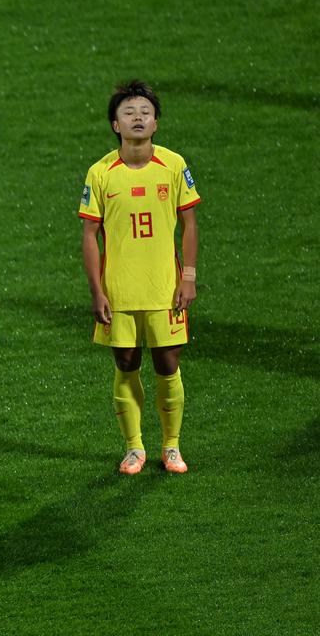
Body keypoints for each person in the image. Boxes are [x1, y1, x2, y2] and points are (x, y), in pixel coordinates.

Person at [78, 80, 200, 475]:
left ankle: (171, 446)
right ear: (115, 124)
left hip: (166, 288)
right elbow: (89, 237)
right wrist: (97, 291)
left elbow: (190, 225)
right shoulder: (100, 173)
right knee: (126, 363)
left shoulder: (174, 165)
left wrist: (189, 278)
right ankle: (134, 448)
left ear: (156, 123)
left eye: (145, 113)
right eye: (129, 113)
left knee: (168, 364)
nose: (137, 118)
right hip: (119, 290)